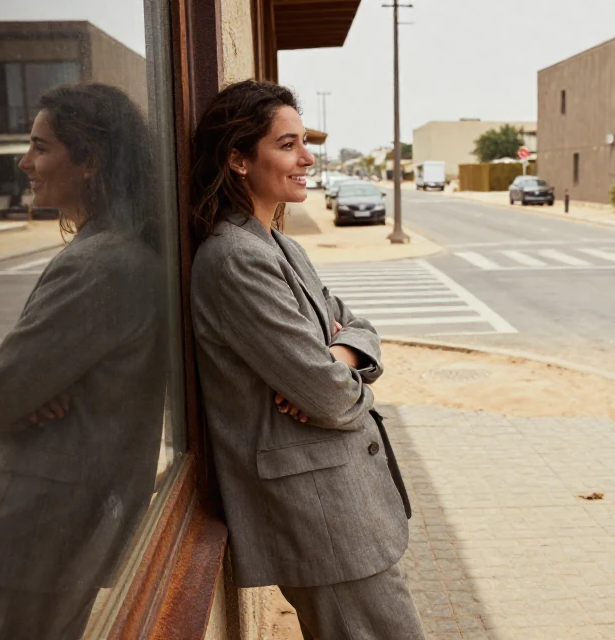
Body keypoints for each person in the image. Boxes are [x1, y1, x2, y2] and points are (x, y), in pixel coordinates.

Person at [189, 79, 422, 639]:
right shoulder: (233, 259)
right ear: (239, 159)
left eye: (303, 142)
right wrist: (335, 378)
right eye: (287, 144)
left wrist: (339, 353)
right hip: (322, 515)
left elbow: (358, 327)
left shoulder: (279, 245)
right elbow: (330, 398)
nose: (307, 158)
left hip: (342, 505)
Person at [0, 82, 167, 640]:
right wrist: (23, 382)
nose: (25, 162)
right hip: (62, 527)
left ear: (90, 160)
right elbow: (18, 385)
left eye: (40, 147)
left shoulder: (100, 265)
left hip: (34, 530)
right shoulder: (123, 250)